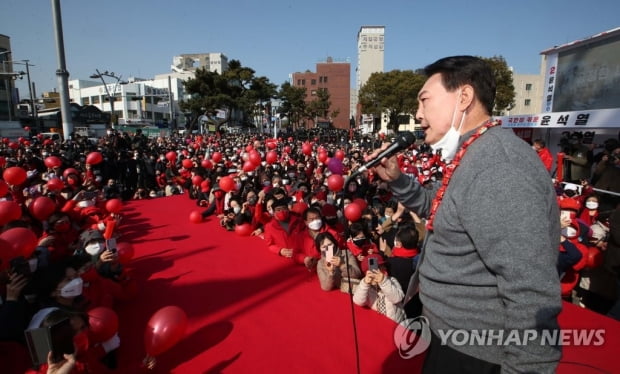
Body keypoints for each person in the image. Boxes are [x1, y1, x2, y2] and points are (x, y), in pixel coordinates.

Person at [371, 56, 561, 373]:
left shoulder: (500, 167)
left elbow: (531, 290)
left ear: (464, 97)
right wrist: (399, 182)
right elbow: (446, 210)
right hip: (452, 338)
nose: (417, 114)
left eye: (424, 100)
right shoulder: (477, 152)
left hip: (474, 354)